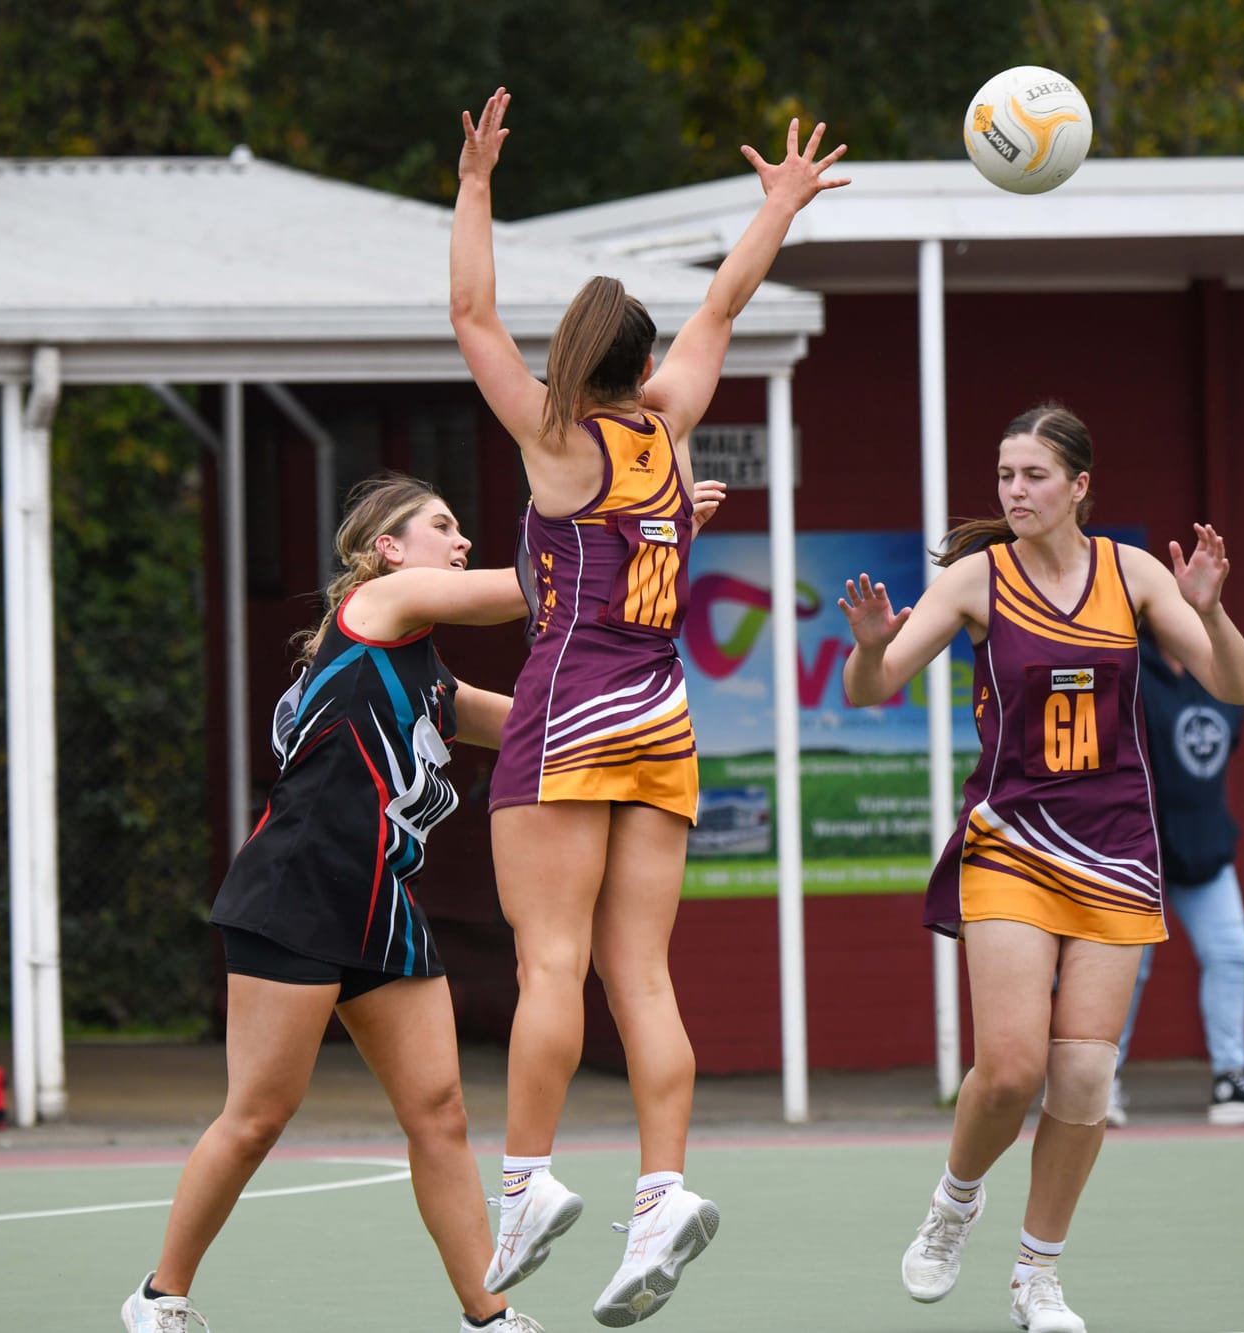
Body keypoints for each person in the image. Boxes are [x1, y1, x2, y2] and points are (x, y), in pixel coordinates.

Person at [120, 473, 722, 1333]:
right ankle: (159, 1297)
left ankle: (489, 1315)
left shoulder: (433, 681)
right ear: (389, 549)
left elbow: (544, 724)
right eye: (442, 526)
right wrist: (640, 529)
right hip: (296, 889)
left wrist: (649, 710)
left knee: (440, 1115)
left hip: (383, 903)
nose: (461, 538)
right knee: (257, 1116)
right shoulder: (376, 605)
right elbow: (535, 585)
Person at [448, 87, 845, 1326]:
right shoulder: (669, 433)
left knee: (548, 961)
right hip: (664, 717)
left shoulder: (558, 441)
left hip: (570, 712)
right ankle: (662, 1190)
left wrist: (474, 187)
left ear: (574, 357)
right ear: (641, 358)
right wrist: (778, 207)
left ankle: (525, 1184)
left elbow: (469, 316)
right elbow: (722, 303)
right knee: (643, 977)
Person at [837, 404, 1244, 1333]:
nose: (1015, 491)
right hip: (1013, 844)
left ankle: (1039, 1275)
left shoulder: (1133, 574)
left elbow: (1239, 684)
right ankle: (954, 1203)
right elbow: (871, 688)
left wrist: (1210, 609)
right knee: (1011, 1068)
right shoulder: (975, 581)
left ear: (1079, 486)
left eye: (1033, 475)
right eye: (1005, 475)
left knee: (1084, 1077)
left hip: (1115, 848)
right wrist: (869, 648)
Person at [1104, 637, 1244, 1129]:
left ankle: (1230, 1080)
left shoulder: (1215, 670)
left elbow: (1227, 732)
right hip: (1135, 850)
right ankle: (1097, 1084)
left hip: (1203, 847)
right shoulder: (1127, 668)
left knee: (1231, 952)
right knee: (1124, 970)